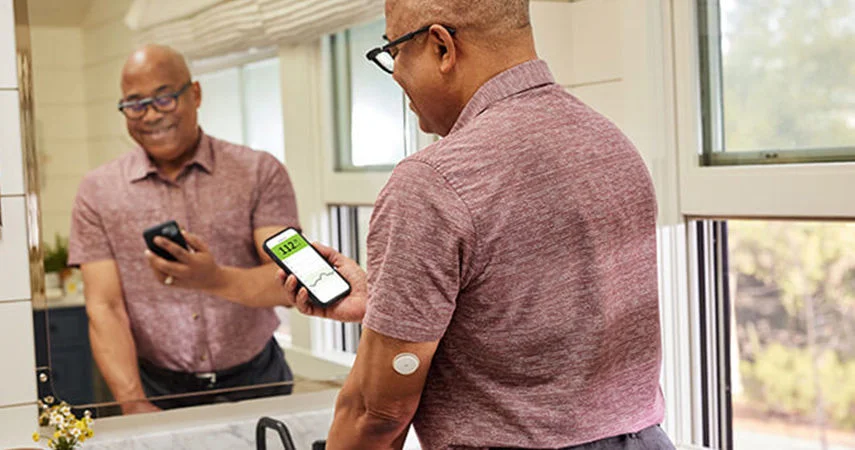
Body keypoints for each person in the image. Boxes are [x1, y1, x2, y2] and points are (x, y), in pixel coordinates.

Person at [280, 0, 676, 449]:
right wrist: (386, 302)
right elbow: (546, 319)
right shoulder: (610, 144)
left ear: (441, 47)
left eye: (394, 51)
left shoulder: (434, 181)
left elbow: (378, 412)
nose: (394, 74)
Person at [68, 44, 300, 414]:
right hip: (157, 387)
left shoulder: (260, 172)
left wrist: (215, 278)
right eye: (135, 104)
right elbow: (105, 306)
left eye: (165, 98)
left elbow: (291, 282)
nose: (151, 115)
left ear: (195, 94)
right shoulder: (98, 191)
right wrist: (133, 403)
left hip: (258, 379)